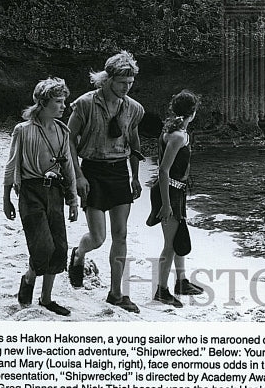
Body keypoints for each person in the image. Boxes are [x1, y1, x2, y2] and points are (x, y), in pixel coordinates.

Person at [67, 51, 145, 313]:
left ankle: (116, 293)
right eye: (123, 82)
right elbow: (69, 139)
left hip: (120, 172)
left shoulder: (133, 108)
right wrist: (77, 175)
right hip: (93, 171)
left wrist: (135, 176)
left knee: (120, 235)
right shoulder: (85, 104)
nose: (127, 87)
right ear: (108, 78)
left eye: (131, 83)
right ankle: (78, 253)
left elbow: (134, 144)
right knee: (99, 237)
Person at [3, 77, 79, 316]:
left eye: (64, 101)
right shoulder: (23, 130)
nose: (63, 106)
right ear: (43, 103)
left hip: (55, 191)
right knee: (42, 247)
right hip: (31, 192)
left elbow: (68, 169)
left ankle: (46, 298)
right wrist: (6, 199)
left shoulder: (63, 131)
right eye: (58, 101)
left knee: (59, 248)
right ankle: (28, 277)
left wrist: (73, 199)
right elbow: (11, 165)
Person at [149, 90, 203, 308]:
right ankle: (161, 291)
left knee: (179, 235)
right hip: (169, 192)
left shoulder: (175, 130)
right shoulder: (178, 135)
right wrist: (167, 204)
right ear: (194, 113)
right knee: (170, 245)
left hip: (177, 191)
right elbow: (163, 171)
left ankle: (181, 282)